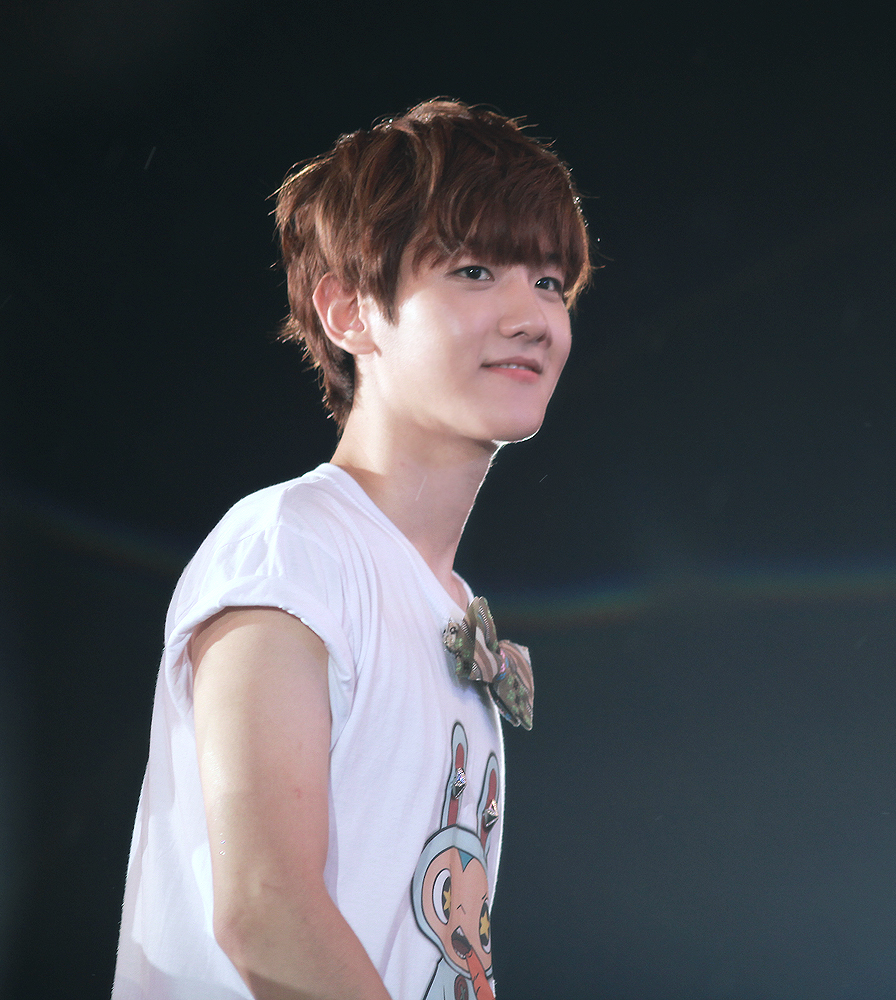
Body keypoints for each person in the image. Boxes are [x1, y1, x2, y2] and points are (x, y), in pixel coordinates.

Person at [112, 98, 592, 1000]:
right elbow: (265, 910)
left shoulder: (451, 603)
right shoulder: (292, 547)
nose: (532, 316)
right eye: (476, 271)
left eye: (549, 282)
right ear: (349, 311)